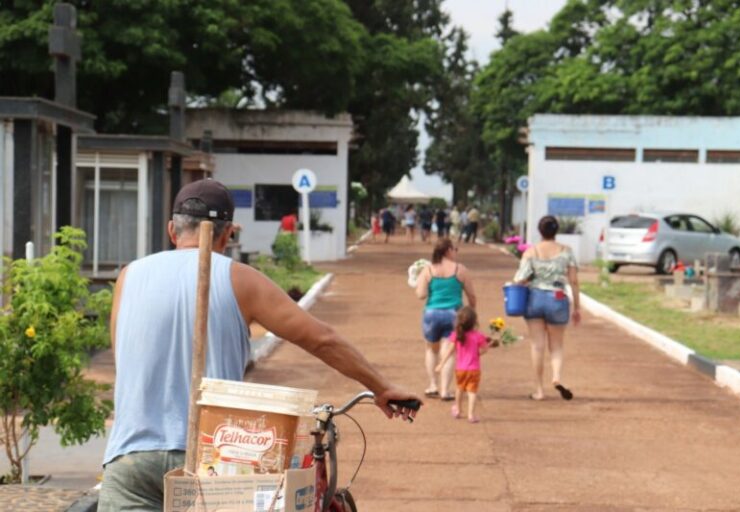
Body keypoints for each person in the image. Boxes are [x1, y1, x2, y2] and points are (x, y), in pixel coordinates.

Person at [98, 179, 420, 511]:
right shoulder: (239, 279)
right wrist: (381, 387)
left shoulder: (129, 276)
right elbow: (321, 339)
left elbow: (123, 358)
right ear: (228, 234)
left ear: (171, 229)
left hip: (129, 459)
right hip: (210, 458)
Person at [513, 215, 581, 402]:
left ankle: (539, 390)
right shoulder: (567, 252)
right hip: (558, 298)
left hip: (535, 299)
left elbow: (519, 278)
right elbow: (574, 281)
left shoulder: (531, 252)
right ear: (556, 230)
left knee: (537, 345)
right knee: (557, 345)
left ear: (539, 231)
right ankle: (557, 377)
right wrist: (577, 307)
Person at [415, 238, 477, 401]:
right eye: (455, 249)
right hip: (454, 314)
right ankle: (445, 390)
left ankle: (432, 385)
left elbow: (420, 294)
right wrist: (472, 312)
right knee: (448, 352)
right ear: (448, 250)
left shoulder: (428, 270)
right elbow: (471, 295)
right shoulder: (460, 270)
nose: (456, 252)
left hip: (431, 314)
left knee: (431, 350)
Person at [435, 306, 488, 423]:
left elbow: (450, 350)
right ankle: (471, 414)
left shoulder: (456, 335)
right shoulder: (478, 336)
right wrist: (477, 353)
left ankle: (458, 409)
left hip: (460, 369)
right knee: (472, 392)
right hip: (474, 369)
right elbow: (484, 349)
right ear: (475, 322)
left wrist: (441, 364)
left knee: (459, 389)